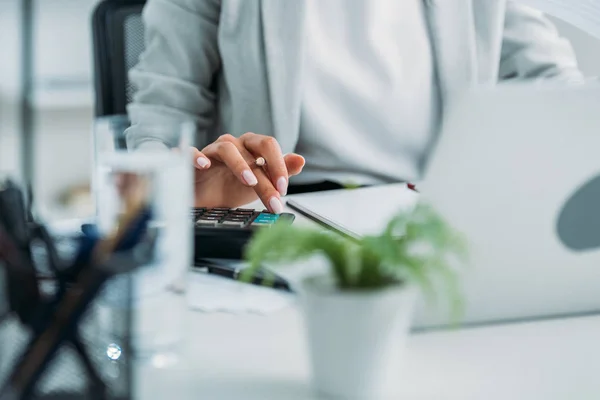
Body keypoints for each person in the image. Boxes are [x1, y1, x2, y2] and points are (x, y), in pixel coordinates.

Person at [126, 0, 584, 213]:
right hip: (285, 212)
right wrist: (167, 176)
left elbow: (556, 85)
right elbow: (164, 108)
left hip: (432, 208)